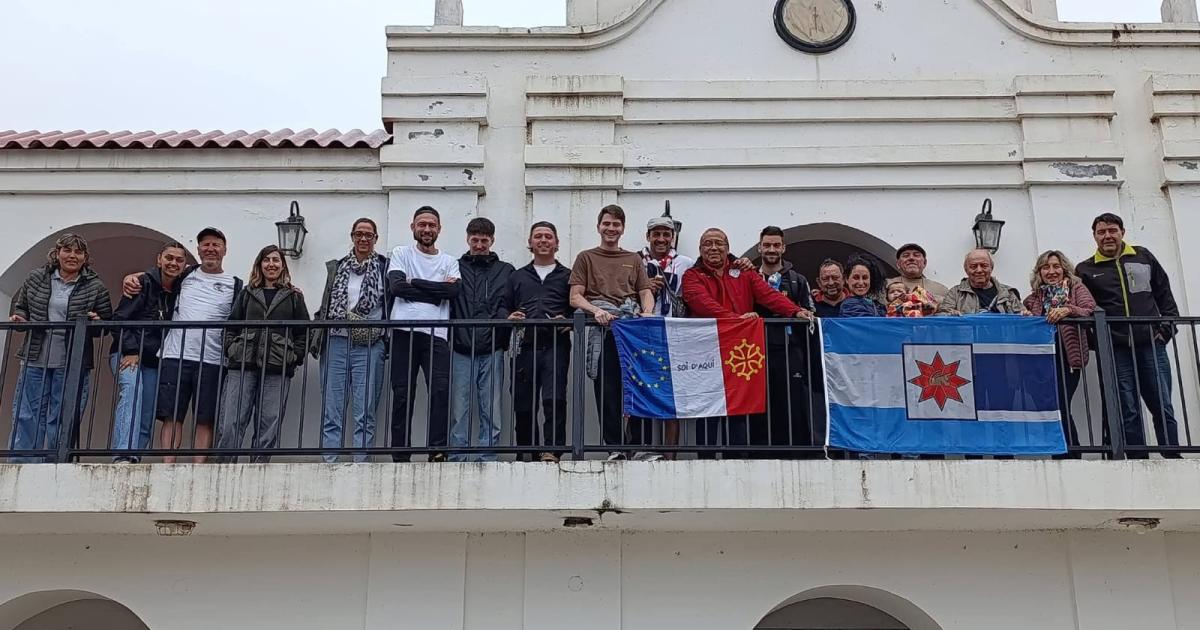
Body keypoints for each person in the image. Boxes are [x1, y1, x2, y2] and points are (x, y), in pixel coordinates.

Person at [682, 227, 808, 457]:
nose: (713, 247)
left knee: (739, 406)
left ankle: (737, 457)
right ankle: (705, 460)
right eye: (708, 243)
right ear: (700, 250)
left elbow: (768, 296)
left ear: (728, 248)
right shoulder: (692, 276)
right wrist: (737, 321)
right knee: (706, 407)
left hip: (738, 354)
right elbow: (701, 303)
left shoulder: (745, 272)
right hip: (706, 352)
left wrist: (795, 311)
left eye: (719, 243)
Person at [126, 227, 243, 464]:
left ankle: (199, 467)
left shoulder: (235, 284)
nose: (211, 249)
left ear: (225, 250)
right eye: (205, 244)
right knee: (172, 416)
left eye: (216, 244)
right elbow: (157, 275)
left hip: (213, 358)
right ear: (198, 250)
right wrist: (132, 277)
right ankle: (168, 465)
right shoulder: (184, 275)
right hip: (174, 355)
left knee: (205, 418)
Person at [1076, 212, 1181, 457]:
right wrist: (1098, 343)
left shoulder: (1143, 257)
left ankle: (1172, 454)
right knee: (1127, 407)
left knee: (1162, 403)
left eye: (1112, 230)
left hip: (1151, 345)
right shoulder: (1086, 269)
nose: (1107, 236)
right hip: (1116, 348)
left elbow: (1164, 295)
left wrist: (1165, 330)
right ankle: (1136, 457)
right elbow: (1085, 308)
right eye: (1101, 232)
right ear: (1094, 237)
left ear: (1122, 232)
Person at [8, 233, 112, 462]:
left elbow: (105, 322)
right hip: (36, 355)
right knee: (27, 414)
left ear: (85, 258)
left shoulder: (95, 286)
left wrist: (97, 321)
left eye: (78, 252)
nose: (72, 256)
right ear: (57, 253)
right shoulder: (36, 278)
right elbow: (22, 306)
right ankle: (23, 463)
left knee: (63, 416)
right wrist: (20, 319)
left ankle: (55, 463)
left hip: (72, 361)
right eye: (67, 250)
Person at [568, 204, 654, 460]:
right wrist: (596, 311)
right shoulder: (586, 257)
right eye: (607, 223)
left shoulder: (634, 259)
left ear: (623, 229)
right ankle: (614, 446)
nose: (611, 229)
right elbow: (575, 297)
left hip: (632, 330)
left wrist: (647, 311)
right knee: (607, 389)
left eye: (616, 224)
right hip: (603, 330)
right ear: (599, 226)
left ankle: (640, 446)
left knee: (640, 387)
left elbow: (645, 291)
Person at [214, 245, 310, 463]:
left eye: (276, 260)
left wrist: (295, 356)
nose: (271, 265)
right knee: (232, 419)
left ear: (283, 266)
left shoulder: (293, 296)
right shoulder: (247, 293)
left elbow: (303, 331)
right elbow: (232, 324)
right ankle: (224, 464)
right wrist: (231, 348)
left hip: (278, 365)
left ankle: (259, 466)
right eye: (266, 260)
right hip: (242, 362)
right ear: (259, 265)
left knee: (269, 420)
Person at [312, 218, 390, 463]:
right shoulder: (338, 267)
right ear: (352, 236)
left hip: (369, 342)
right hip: (336, 339)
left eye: (369, 234)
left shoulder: (384, 268)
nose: (363, 239)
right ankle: (329, 460)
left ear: (375, 239)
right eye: (359, 234)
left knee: (365, 407)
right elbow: (327, 301)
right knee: (332, 406)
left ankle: (361, 461)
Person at [388, 206, 460, 462]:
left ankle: (437, 450)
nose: (427, 229)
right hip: (403, 332)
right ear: (413, 227)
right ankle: (400, 453)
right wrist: (436, 289)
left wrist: (415, 283)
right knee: (402, 393)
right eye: (422, 224)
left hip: (437, 334)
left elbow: (452, 293)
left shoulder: (449, 261)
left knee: (440, 391)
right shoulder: (400, 253)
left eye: (431, 225)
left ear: (439, 229)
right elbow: (396, 287)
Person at [108, 241, 186, 463]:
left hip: (153, 360)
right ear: (159, 259)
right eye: (169, 258)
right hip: (127, 354)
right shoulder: (142, 283)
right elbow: (119, 319)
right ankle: (122, 455)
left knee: (147, 409)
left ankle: (135, 458)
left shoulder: (183, 288)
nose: (173, 263)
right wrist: (132, 350)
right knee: (132, 393)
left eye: (179, 260)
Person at [449, 217, 514, 462]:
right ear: (467, 239)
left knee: (491, 408)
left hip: (493, 347)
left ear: (492, 240)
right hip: (461, 347)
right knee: (459, 408)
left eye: (484, 240)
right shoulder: (454, 267)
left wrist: (502, 335)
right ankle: (458, 456)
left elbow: (507, 304)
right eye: (474, 240)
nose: (479, 245)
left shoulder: (505, 270)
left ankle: (488, 455)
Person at [507, 221, 573, 462]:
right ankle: (527, 451)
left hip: (556, 344)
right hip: (524, 345)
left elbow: (577, 305)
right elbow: (504, 305)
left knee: (554, 399)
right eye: (538, 236)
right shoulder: (516, 276)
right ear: (530, 243)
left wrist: (567, 319)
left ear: (556, 243)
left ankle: (552, 451)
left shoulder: (568, 276)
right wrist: (509, 316)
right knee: (523, 401)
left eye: (548, 236)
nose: (543, 240)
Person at [1024, 250, 1096, 453]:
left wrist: (1068, 310)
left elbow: (1090, 309)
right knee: (1048, 406)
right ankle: (1057, 450)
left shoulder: (1076, 288)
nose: (1051, 271)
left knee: (1061, 403)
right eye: (1045, 267)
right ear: (1039, 272)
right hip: (1041, 360)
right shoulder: (1033, 298)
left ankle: (1071, 452)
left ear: (1064, 268)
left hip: (1067, 357)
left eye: (1056, 266)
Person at [756, 226, 816, 455]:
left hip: (791, 350)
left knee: (793, 401)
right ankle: (761, 452)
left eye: (776, 245)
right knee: (761, 402)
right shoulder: (750, 277)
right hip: (757, 351)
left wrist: (794, 312)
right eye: (767, 245)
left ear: (783, 247)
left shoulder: (797, 279)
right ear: (760, 247)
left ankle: (797, 452)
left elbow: (810, 311)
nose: (771, 249)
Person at [639, 213, 694, 457]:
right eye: (656, 234)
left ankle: (670, 453)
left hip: (675, 335)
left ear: (673, 237)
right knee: (642, 388)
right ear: (648, 236)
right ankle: (642, 449)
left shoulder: (686, 263)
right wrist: (645, 288)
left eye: (666, 234)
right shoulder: (635, 261)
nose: (661, 239)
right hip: (642, 335)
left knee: (672, 393)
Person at [937, 249, 1027, 315]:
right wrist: (951, 315)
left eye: (984, 265)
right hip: (969, 340)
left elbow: (1022, 315)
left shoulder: (1008, 293)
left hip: (1001, 340)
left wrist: (1025, 315)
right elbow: (941, 316)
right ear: (966, 270)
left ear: (991, 268)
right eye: (973, 266)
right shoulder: (955, 293)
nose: (979, 270)